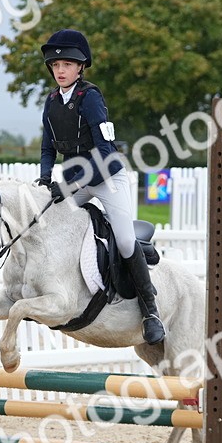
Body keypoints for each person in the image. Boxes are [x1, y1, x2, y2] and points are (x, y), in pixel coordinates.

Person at [35, 28, 165, 345]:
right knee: (48, 223)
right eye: (56, 65)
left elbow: (105, 154)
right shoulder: (52, 102)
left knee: (123, 239)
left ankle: (150, 312)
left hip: (108, 179)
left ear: (81, 67)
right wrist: (45, 177)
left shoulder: (90, 98)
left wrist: (70, 184)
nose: (60, 70)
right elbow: (48, 147)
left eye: (67, 64)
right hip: (76, 180)